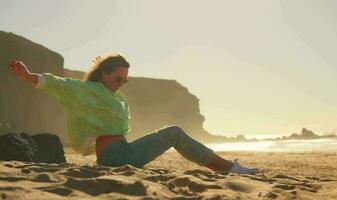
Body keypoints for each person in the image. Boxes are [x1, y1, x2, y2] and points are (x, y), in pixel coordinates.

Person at [9, 54, 258, 174]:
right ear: (104, 74)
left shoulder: (115, 96)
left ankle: (223, 166)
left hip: (118, 154)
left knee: (172, 134)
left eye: (125, 80)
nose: (121, 83)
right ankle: (226, 167)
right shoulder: (87, 90)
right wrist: (30, 76)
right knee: (174, 133)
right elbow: (61, 85)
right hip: (115, 156)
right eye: (118, 78)